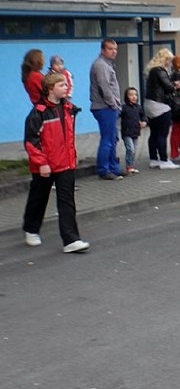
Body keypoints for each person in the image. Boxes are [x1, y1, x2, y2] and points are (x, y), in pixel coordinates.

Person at [22, 71, 90, 253]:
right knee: (39, 198)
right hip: (45, 165)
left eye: (66, 85)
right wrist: (41, 162)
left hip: (65, 163)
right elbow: (31, 141)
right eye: (62, 85)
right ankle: (31, 228)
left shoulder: (69, 108)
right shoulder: (39, 113)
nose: (66, 87)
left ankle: (71, 240)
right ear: (50, 89)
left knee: (67, 201)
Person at [89, 38, 123, 180]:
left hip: (107, 107)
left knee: (113, 138)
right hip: (104, 107)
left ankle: (114, 168)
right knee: (108, 139)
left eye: (115, 49)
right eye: (110, 49)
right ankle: (104, 170)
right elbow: (105, 88)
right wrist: (114, 105)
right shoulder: (101, 65)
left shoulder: (106, 64)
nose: (114, 51)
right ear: (103, 50)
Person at [143, 48, 180, 170]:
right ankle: (164, 160)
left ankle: (153, 159)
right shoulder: (160, 70)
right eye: (169, 60)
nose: (170, 63)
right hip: (160, 105)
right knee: (162, 134)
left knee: (153, 133)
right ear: (165, 60)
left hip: (149, 104)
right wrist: (176, 86)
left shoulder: (151, 71)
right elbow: (168, 87)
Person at [120, 87, 147, 174]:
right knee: (130, 149)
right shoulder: (124, 108)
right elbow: (118, 115)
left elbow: (144, 116)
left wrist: (144, 122)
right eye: (130, 95)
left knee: (134, 150)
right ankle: (129, 167)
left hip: (135, 132)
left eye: (135, 95)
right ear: (126, 96)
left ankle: (131, 165)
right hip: (126, 132)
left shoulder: (138, 107)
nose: (133, 97)